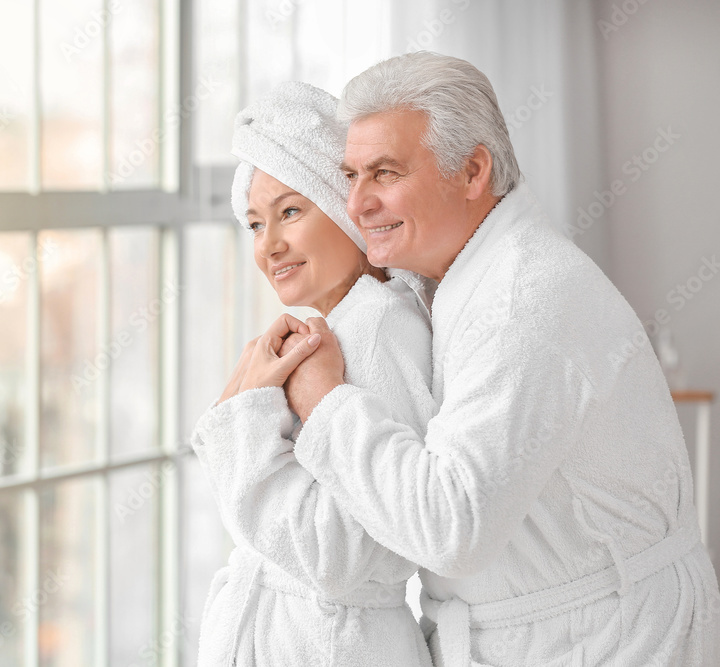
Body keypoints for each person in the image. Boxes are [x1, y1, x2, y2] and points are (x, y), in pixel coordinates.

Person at [226, 52, 720, 665]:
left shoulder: (522, 299)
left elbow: (449, 526)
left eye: (384, 173)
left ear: (473, 170)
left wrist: (324, 403)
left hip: (605, 641)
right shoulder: (451, 285)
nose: (357, 205)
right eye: (350, 176)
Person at [191, 80, 435, 667]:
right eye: (254, 224)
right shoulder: (338, 327)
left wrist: (242, 424)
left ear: (343, 207)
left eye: (290, 212)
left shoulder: (378, 328)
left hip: (332, 644)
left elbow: (340, 554)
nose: (269, 246)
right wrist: (244, 409)